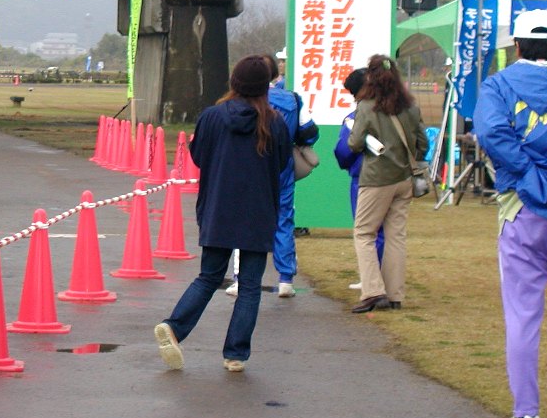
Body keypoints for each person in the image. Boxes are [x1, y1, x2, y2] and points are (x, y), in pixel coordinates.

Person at [474, 9, 547, 418]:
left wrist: (527, 174)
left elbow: (491, 132)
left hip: (520, 208)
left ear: (517, 46)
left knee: (523, 315)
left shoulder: (499, 85)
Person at [154, 55, 290, 373]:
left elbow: (199, 156)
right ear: (265, 86)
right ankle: (235, 354)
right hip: (258, 210)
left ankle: (174, 327)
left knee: (209, 276)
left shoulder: (212, 117)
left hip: (218, 206)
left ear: (234, 82)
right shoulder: (275, 122)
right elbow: (282, 162)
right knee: (250, 285)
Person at [226, 52, 317, 299]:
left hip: (249, 167)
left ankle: (240, 278)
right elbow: (310, 133)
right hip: (282, 167)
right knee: (284, 220)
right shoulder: (293, 99)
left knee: (244, 220)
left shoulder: (240, 101)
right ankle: (286, 278)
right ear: (275, 74)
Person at [346, 53, 428, 314]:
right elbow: (423, 143)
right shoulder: (411, 107)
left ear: (370, 78)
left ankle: (373, 291)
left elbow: (354, 143)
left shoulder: (366, 107)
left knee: (364, 233)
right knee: (396, 236)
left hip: (376, 179)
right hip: (404, 178)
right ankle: (394, 294)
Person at [333, 67, 384, 289]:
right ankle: (384, 277)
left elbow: (344, 151)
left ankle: (371, 279)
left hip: (363, 177)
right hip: (393, 177)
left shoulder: (354, 118)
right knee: (388, 232)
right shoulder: (393, 112)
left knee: (366, 231)